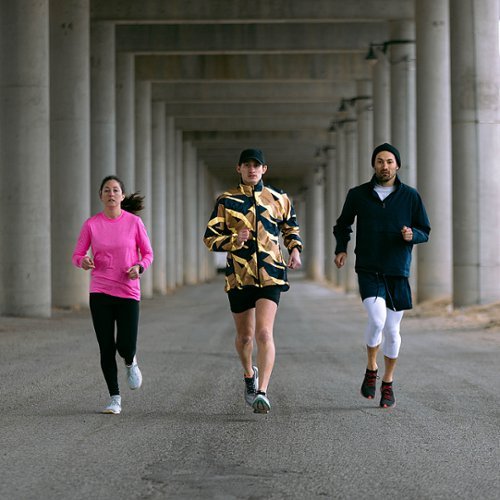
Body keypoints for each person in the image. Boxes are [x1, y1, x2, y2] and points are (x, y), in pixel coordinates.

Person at [204, 148, 303, 414]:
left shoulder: (278, 198)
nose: (251, 169)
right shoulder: (227, 200)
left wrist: (295, 250)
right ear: (238, 169)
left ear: (264, 169)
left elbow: (290, 228)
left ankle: (262, 392)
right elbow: (210, 239)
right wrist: (234, 239)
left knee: (264, 333)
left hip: (271, 275)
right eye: (246, 165)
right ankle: (250, 374)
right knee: (245, 337)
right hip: (239, 277)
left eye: (256, 165)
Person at [333, 143, 430, 408]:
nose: (384, 166)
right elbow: (343, 224)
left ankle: (387, 382)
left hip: (397, 270)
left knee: (393, 330)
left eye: (389, 161)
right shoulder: (358, 195)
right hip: (369, 268)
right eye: (379, 161)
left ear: (397, 165)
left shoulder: (410, 196)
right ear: (373, 165)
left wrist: (413, 235)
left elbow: (425, 230)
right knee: (377, 321)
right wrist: (341, 249)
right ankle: (371, 367)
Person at [72, 175, 154, 415]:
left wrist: (139, 267)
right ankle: (115, 398)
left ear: (122, 196)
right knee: (106, 347)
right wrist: (83, 261)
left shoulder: (134, 223)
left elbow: (148, 254)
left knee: (125, 345)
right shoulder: (91, 224)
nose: (111, 194)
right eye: (106, 190)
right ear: (100, 196)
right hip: (100, 291)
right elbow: (77, 254)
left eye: (115, 190)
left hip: (128, 291)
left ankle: (130, 360)